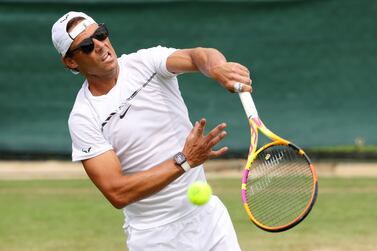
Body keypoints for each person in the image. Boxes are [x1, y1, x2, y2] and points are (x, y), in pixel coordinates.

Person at [51, 11, 252, 251]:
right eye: (86, 46)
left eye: (101, 34)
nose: (100, 46)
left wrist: (218, 68)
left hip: (209, 219)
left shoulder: (145, 62)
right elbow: (118, 192)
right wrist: (185, 160)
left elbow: (198, 55)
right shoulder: (83, 117)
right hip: (155, 238)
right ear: (71, 61)